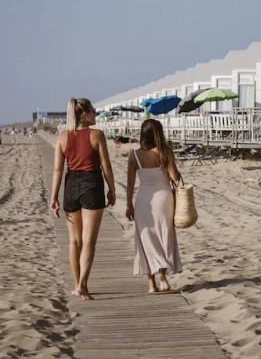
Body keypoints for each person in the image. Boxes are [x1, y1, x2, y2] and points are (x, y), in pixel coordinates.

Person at [50, 98, 116, 300]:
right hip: (91, 183)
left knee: (74, 241)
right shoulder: (96, 135)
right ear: (85, 114)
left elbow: (58, 170)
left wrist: (53, 197)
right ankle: (82, 285)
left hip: (71, 185)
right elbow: (105, 165)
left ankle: (78, 284)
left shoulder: (62, 137)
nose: (95, 114)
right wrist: (112, 189)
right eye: (93, 111)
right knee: (88, 240)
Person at [125, 118, 182, 293]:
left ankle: (151, 284)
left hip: (144, 200)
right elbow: (175, 177)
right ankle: (162, 276)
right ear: (159, 134)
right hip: (164, 198)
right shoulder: (165, 152)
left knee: (146, 238)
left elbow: (130, 184)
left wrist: (128, 205)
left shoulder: (134, 155)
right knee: (164, 234)